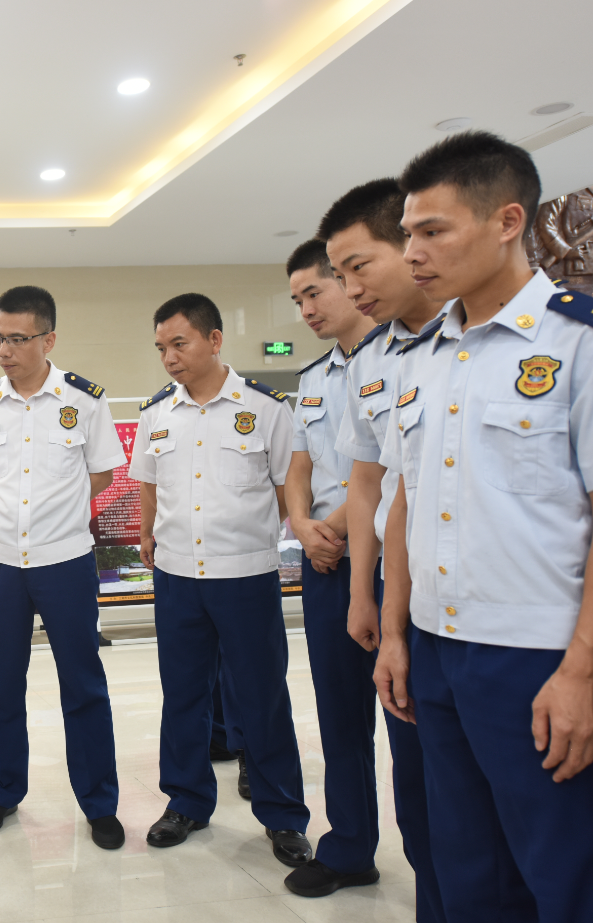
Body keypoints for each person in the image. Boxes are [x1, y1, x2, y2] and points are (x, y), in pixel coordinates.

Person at [376, 130, 593, 922]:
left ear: (506, 221)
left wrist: (579, 672)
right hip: (434, 650)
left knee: (562, 871)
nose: (412, 252)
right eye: (405, 234)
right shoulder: (421, 357)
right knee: (466, 869)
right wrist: (396, 634)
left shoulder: (575, 342)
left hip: (537, 658)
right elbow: (404, 500)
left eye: (431, 231)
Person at [129, 293, 312, 867]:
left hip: (245, 577)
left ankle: (283, 816)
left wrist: (251, 534)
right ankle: (185, 802)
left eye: (179, 343)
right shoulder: (158, 414)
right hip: (179, 577)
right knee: (183, 696)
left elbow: (289, 487)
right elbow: (148, 483)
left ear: (213, 339)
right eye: (161, 347)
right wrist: (147, 532)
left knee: (261, 697)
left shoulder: (265, 408)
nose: (169, 357)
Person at [0, 285, 127, 850]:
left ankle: (99, 802)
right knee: (4, 683)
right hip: (0, 560)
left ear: (48, 339)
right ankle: (1, 792)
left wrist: (62, 511)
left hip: (65, 560)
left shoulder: (85, 401)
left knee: (82, 683)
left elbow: (102, 472)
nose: (4, 350)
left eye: (17, 338)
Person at [319, 178, 445, 920]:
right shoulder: (377, 362)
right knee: (427, 795)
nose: (346, 289)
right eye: (338, 276)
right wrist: (373, 603)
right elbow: (377, 488)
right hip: (412, 606)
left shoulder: (561, 340)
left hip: (523, 629)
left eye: (355, 267)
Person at [280, 238, 380, 897]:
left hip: (383, 559)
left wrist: (331, 530)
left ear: (347, 281)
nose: (306, 309)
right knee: (339, 713)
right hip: (323, 563)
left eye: (314, 291)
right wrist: (300, 523)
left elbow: (382, 470)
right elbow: (299, 466)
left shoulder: (401, 359)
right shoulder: (312, 379)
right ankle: (349, 846)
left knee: (412, 719)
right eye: (296, 301)